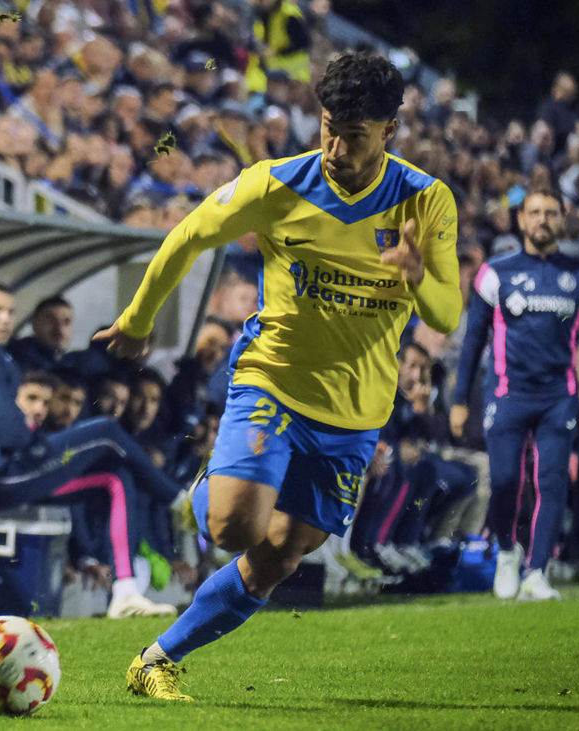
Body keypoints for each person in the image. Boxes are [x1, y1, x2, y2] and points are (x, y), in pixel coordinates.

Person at [97, 51, 461, 701]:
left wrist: (416, 276)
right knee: (235, 528)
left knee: (280, 556)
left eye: (354, 135)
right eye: (328, 128)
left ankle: (155, 661)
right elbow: (188, 235)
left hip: (355, 416)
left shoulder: (425, 201)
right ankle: (214, 485)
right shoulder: (277, 184)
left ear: (390, 131)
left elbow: (447, 312)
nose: (336, 147)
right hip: (274, 383)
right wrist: (138, 318)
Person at [0, 282, 183, 619]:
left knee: (115, 476)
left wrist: (38, 450)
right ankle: (182, 503)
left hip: (0, 469)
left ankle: (125, 593)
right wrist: (43, 453)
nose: (5, 319)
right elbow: (11, 432)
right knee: (105, 431)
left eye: (10, 312)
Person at [451, 189, 579, 601]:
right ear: (520, 220)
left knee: (552, 482)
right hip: (507, 393)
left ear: (562, 219)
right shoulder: (495, 272)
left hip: (559, 396)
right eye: (535, 212)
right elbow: (472, 341)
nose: (542, 220)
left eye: (550, 213)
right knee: (505, 481)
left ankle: (537, 572)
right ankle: (507, 551)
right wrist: (459, 400)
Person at [7, 295, 74, 373]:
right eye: (51, 320)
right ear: (34, 323)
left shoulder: (66, 362)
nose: (59, 328)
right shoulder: (20, 356)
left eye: (66, 322)